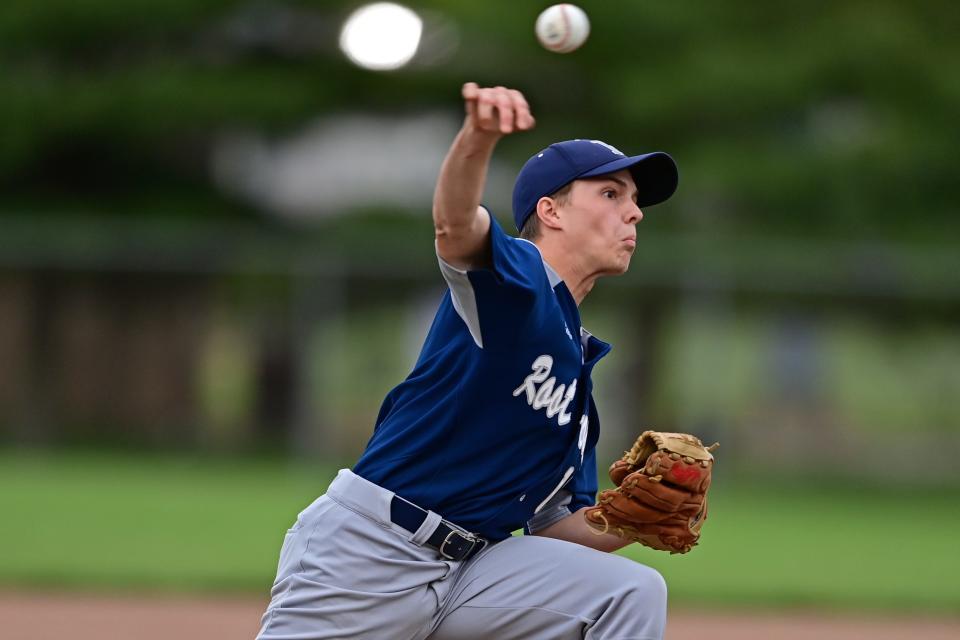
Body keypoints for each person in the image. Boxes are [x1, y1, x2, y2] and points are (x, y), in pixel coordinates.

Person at [257, 82, 680, 640]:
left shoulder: (577, 375)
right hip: (373, 553)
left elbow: (553, 526)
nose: (634, 214)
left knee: (630, 591)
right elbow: (455, 227)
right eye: (611, 194)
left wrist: (634, 517)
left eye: (634, 201)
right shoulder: (519, 280)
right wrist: (478, 138)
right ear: (550, 211)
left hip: (473, 570)